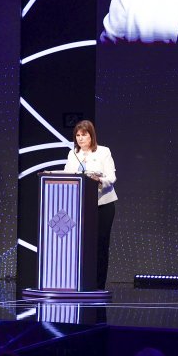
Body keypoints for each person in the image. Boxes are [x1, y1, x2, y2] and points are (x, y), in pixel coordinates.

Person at [62, 120, 118, 289]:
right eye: (77, 135)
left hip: (103, 205)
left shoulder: (103, 152)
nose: (80, 138)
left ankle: (99, 284)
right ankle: (81, 282)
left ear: (91, 135)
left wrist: (98, 180)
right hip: (81, 207)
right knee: (81, 246)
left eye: (84, 135)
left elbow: (111, 178)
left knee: (100, 245)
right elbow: (67, 175)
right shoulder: (73, 154)